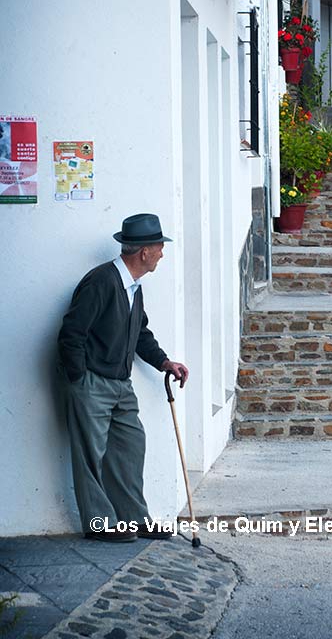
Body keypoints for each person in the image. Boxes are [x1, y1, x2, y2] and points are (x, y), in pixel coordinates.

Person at [58, 213, 189, 542]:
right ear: (144, 252)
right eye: (160, 247)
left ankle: (134, 518)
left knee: (131, 446)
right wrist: (80, 379)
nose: (162, 253)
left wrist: (164, 363)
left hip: (120, 384)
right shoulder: (101, 282)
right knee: (90, 454)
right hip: (92, 383)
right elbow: (71, 335)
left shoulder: (133, 287)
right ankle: (99, 523)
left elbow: (140, 332)